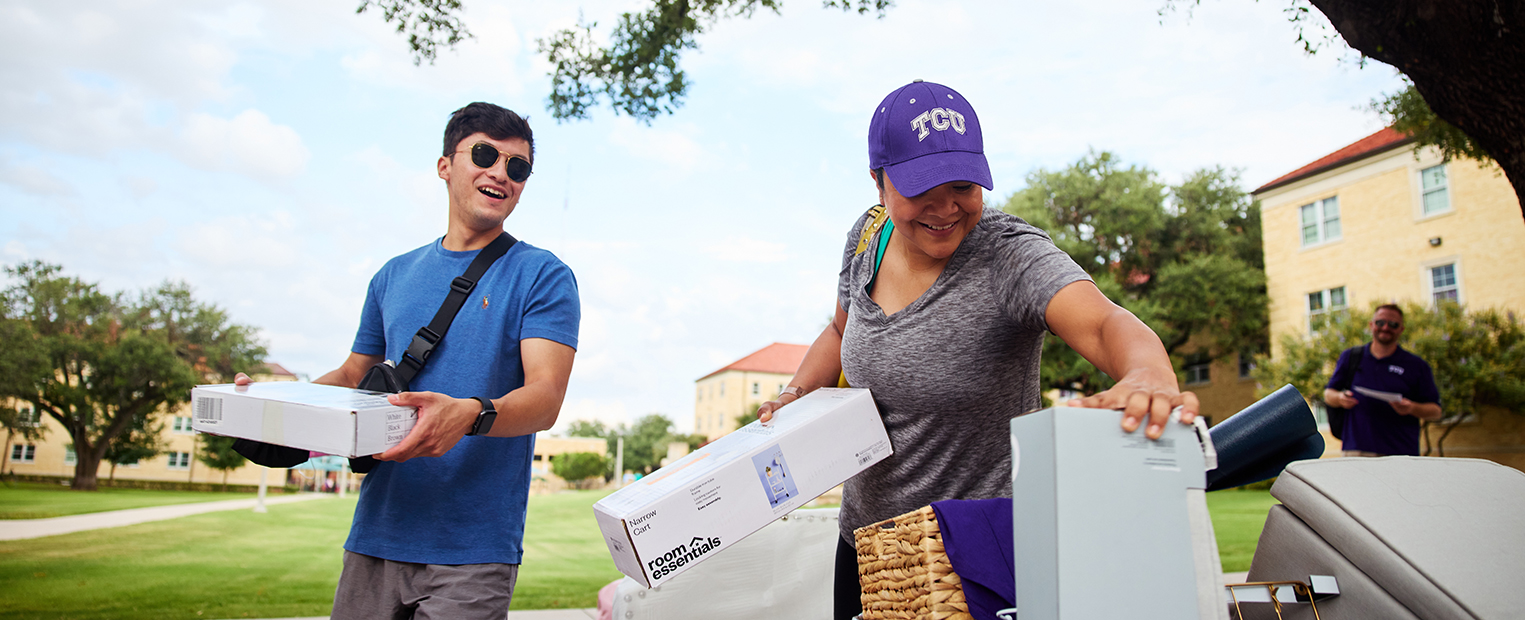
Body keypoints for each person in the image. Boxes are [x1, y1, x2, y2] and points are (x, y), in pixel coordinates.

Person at [753, 80, 1199, 620]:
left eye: (963, 185)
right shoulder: (867, 238)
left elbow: (1105, 322)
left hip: (968, 558)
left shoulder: (1008, 255)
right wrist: (796, 392)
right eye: (922, 189)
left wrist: (1147, 374)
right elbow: (838, 331)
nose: (945, 208)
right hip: (867, 549)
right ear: (879, 182)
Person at [235, 102, 580, 619]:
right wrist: (273, 402)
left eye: (517, 167)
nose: (500, 174)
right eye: (484, 154)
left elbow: (545, 399)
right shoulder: (393, 275)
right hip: (377, 532)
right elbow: (354, 375)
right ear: (445, 165)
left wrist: (469, 414)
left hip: (473, 552)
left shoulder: (542, 275)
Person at [1322, 304, 1441, 457]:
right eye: (1380, 322)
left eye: (1393, 324)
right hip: (1356, 450)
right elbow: (1328, 394)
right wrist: (1340, 398)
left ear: (1401, 329)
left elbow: (1436, 411)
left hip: (1400, 454)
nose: (1385, 328)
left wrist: (1411, 407)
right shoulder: (1351, 357)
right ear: (1371, 325)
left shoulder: (1416, 365)